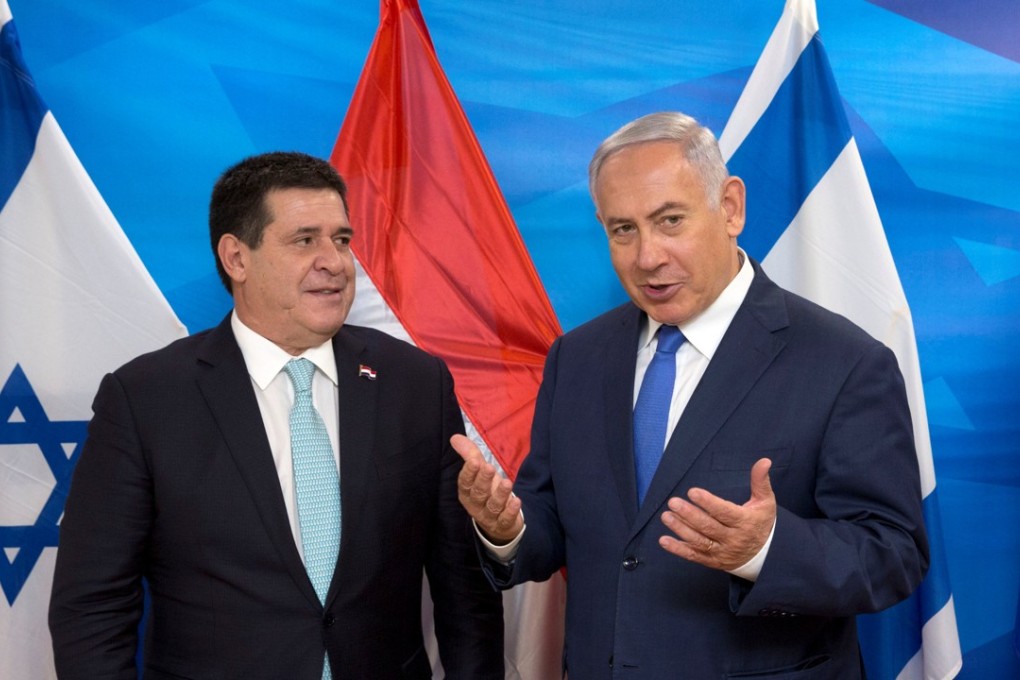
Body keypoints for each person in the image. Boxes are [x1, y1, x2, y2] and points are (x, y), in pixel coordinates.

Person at [455, 112, 928, 679]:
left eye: (670, 220)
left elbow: (892, 554)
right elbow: (557, 521)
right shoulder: (577, 358)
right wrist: (507, 531)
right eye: (622, 229)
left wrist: (766, 549)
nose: (647, 256)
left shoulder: (845, 362)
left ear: (730, 208)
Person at [49, 152, 504, 679]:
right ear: (236, 258)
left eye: (341, 239)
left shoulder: (416, 383)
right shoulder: (145, 399)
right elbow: (92, 607)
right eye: (304, 240)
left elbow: (464, 588)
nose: (334, 261)